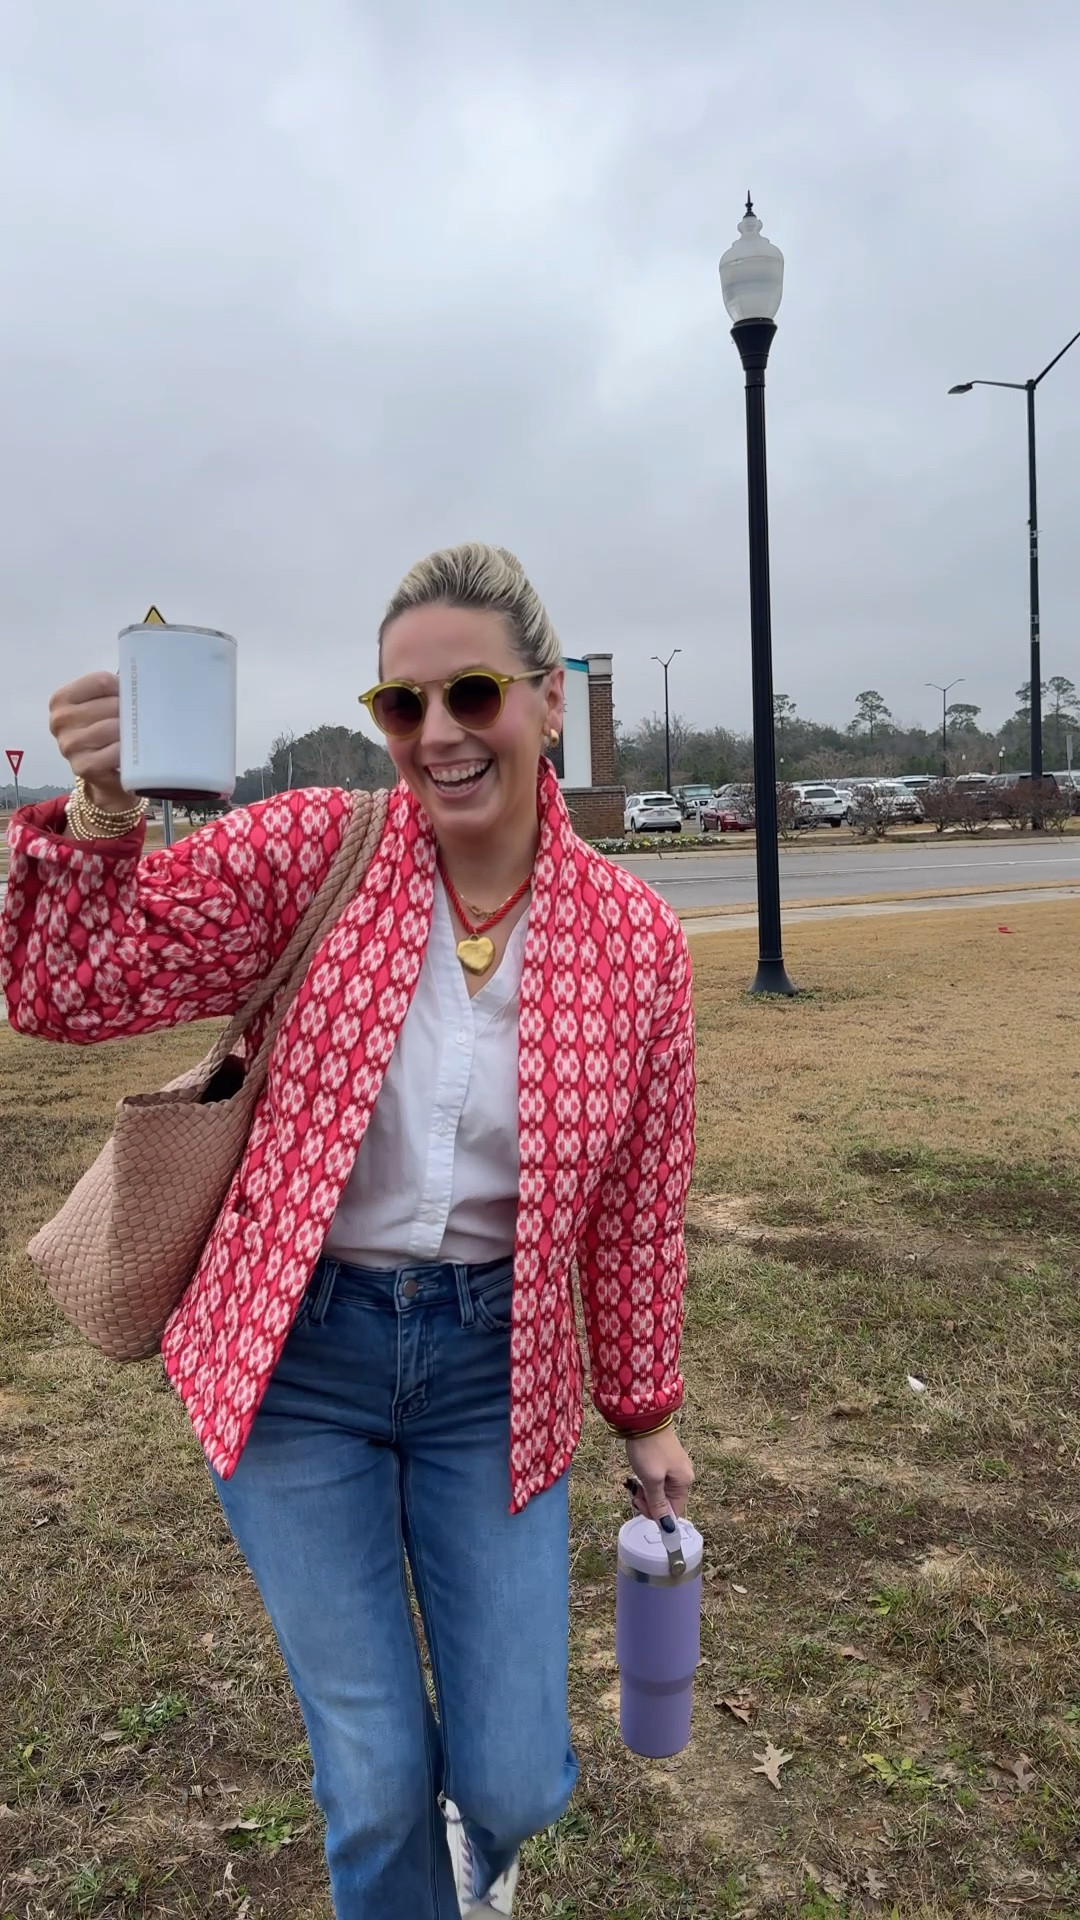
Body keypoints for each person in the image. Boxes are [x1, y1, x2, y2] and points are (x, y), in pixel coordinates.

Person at [2, 543, 696, 1920]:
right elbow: (69, 990)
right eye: (402, 704)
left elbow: (635, 1205)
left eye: (473, 694)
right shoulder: (317, 848)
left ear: (550, 701)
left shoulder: (636, 942)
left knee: (510, 1776)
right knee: (374, 1783)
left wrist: (645, 1410)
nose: (438, 734)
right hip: (298, 1360)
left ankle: (481, 1849)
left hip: (494, 1374)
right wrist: (98, 809)